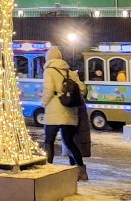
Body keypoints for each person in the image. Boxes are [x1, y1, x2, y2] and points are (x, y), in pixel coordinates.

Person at [41, 46, 88, 181]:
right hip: (70, 112)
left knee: (49, 142)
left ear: (48, 58)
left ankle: (47, 170)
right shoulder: (70, 72)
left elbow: (48, 90)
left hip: (54, 112)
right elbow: (83, 89)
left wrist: (43, 103)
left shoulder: (49, 71)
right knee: (69, 142)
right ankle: (81, 171)